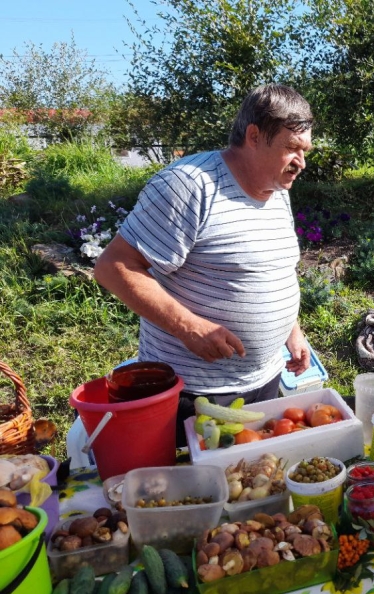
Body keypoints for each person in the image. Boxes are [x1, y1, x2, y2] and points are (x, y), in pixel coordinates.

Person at [94, 84, 314, 445]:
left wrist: (292, 329)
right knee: (191, 491)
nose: (301, 162)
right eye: (291, 148)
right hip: (195, 391)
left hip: (265, 379)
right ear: (254, 136)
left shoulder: (276, 190)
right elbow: (113, 266)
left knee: (249, 484)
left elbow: (270, 270)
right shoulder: (189, 186)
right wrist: (189, 327)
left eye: (305, 150)